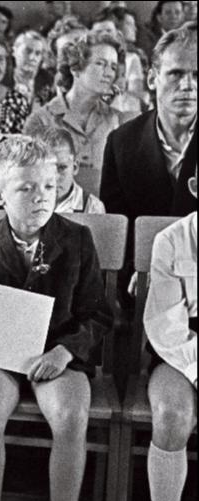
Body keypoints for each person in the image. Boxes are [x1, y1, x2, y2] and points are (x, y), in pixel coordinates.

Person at [0, 134, 113, 501]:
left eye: (49, 186)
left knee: (71, 415)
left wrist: (65, 353)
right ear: (1, 195)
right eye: (26, 188)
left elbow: (99, 314)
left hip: (57, 354)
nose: (41, 196)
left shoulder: (77, 239)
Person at [100, 22, 197, 305]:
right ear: (153, 78)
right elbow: (120, 231)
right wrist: (143, 271)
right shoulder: (122, 142)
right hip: (143, 285)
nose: (188, 86)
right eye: (176, 73)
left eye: (196, 75)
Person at [142, 169, 197, 501]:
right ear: (195, 187)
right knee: (171, 413)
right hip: (178, 354)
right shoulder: (172, 240)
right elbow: (165, 325)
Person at [24, 30, 129, 197]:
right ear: (76, 69)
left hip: (104, 216)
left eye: (113, 67)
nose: (109, 73)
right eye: (101, 64)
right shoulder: (41, 120)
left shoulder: (116, 120)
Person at [38, 127, 105, 213]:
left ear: (75, 167)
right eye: (46, 169)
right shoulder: (24, 201)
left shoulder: (92, 207)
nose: (55, 178)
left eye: (62, 168)